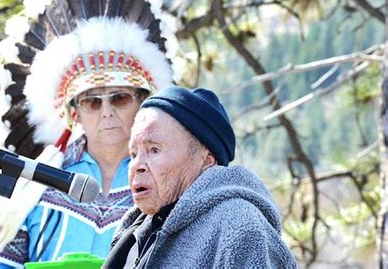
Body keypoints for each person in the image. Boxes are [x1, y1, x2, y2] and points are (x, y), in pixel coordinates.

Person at [0, 0, 177, 268]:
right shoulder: (35, 185)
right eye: (92, 101)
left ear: (143, 103)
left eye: (119, 98)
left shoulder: (170, 180)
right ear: (73, 113)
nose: (106, 112)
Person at [104, 86, 298, 268]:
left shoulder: (239, 226)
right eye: (133, 153)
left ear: (206, 160)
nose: (136, 165)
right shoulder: (135, 231)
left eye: (154, 150)